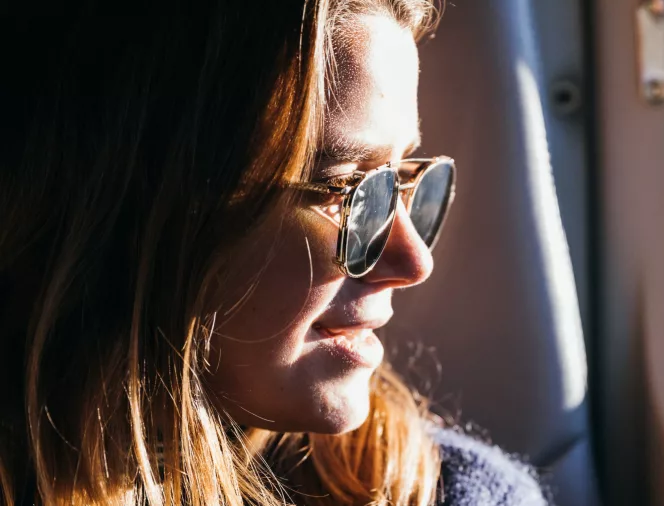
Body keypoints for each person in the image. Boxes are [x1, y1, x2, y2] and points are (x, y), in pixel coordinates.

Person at [0, 2, 549, 505]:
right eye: (346, 188)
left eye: (400, 181)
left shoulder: (452, 494)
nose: (412, 263)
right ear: (127, 210)